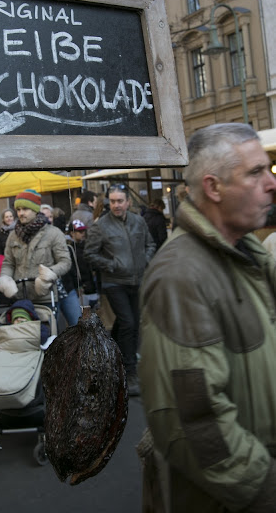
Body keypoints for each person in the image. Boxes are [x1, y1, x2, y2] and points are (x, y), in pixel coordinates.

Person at [138, 123, 276, 512]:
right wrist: (267, 490)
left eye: (268, 169)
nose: (271, 183)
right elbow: (198, 426)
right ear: (214, 188)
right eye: (255, 173)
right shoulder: (181, 275)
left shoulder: (250, 252)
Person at [84, 183, 155, 396]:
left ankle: (108, 353)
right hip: (114, 281)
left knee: (129, 323)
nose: (116, 205)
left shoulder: (139, 221)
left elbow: (150, 244)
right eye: (112, 201)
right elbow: (89, 253)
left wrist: (146, 260)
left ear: (128, 202)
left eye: (120, 201)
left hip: (137, 279)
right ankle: (130, 370)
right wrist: (111, 264)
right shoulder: (101, 225)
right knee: (129, 323)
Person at [0, 189, 71, 307]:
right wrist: (5, 278)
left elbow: (65, 262)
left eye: (25, 209)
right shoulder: (13, 236)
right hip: (19, 296)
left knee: (47, 325)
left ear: (35, 210)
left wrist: (49, 273)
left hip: (45, 296)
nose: (21, 213)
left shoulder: (53, 233)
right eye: (18, 209)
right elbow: (8, 263)